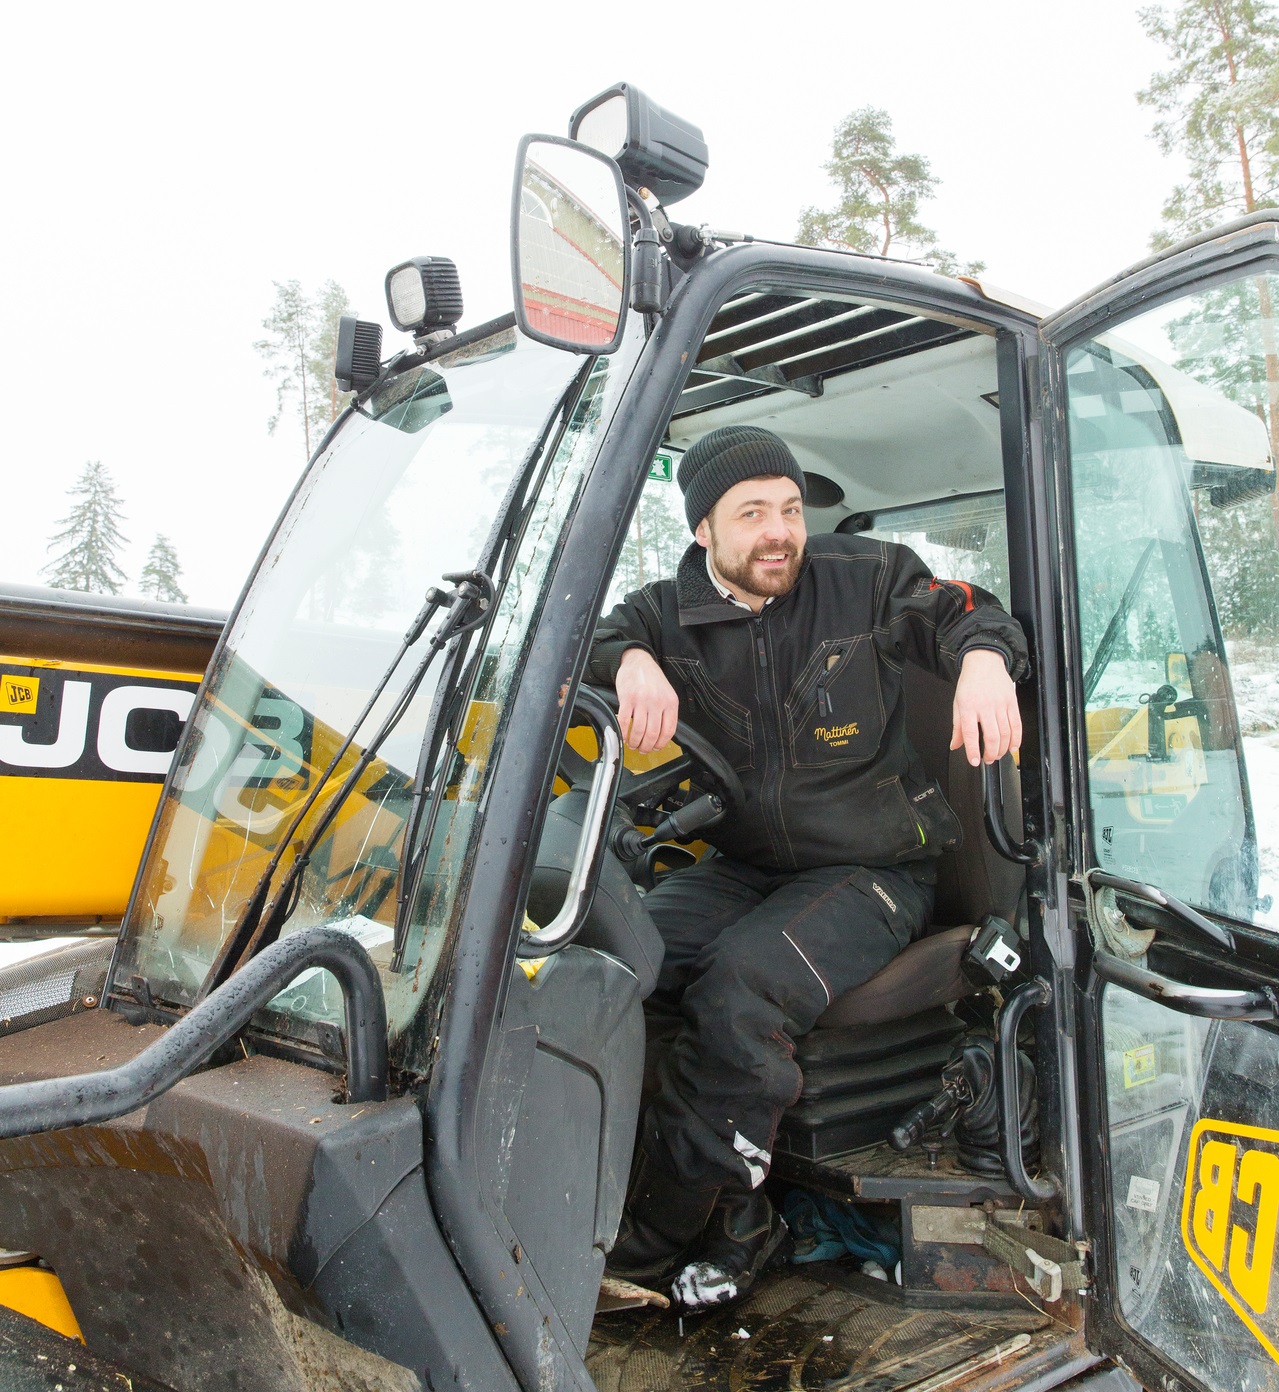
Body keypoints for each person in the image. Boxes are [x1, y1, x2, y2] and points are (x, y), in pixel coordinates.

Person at [587, 425, 1029, 1314]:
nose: (778, 532)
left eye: (788, 508)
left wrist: (984, 661)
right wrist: (628, 660)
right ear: (702, 530)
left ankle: (663, 1233)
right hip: (745, 866)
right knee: (611, 963)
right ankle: (709, 1204)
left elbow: (967, 609)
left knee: (741, 989)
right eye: (750, 513)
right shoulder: (663, 612)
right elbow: (590, 636)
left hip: (874, 869)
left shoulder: (863, 578)